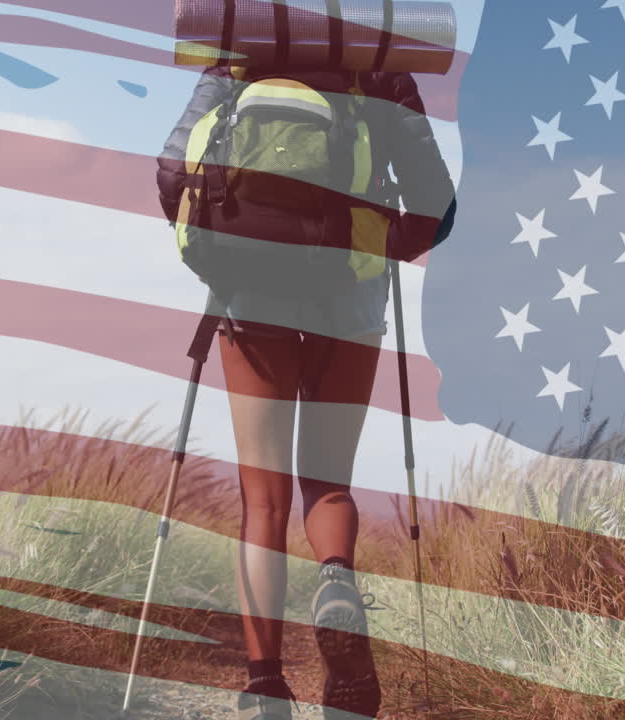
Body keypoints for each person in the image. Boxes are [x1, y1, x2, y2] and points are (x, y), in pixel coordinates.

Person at [157, 63, 456, 720]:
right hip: (349, 291)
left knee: (262, 500)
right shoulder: (381, 71)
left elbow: (173, 173)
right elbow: (438, 207)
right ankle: (335, 579)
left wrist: (219, 245)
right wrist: (370, 246)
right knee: (328, 483)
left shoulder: (237, 57)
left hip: (249, 291)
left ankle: (265, 685)